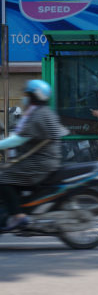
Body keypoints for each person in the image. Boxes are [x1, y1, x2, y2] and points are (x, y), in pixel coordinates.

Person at [0, 79, 68, 231]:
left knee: (3, 179)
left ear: (34, 96)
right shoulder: (39, 112)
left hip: (40, 162)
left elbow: (18, 139)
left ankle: (19, 216)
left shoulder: (39, 115)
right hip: (42, 159)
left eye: (27, 94)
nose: (25, 97)